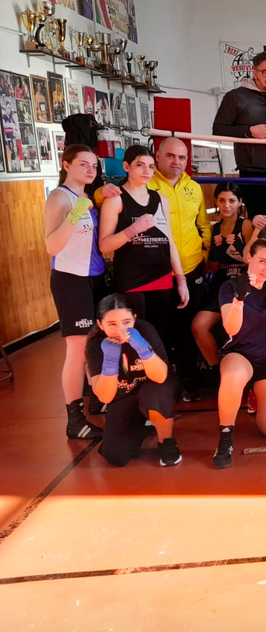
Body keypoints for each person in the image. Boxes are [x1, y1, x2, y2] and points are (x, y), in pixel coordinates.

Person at [213, 238, 266, 469]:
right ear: (249, 258)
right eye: (262, 261)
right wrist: (239, 299)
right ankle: (225, 438)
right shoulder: (230, 287)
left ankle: (255, 392)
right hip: (240, 353)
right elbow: (232, 329)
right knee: (233, 375)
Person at [45, 144, 106, 440]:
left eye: (93, 165)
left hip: (93, 277)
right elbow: (51, 247)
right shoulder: (60, 196)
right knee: (77, 351)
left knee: (94, 343)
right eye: (83, 164)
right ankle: (74, 419)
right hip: (70, 278)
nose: (90, 170)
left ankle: (98, 398)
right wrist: (73, 217)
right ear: (66, 164)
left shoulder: (85, 196)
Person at [99, 145, 189, 341]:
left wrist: (181, 279)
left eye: (150, 166)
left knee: (158, 335)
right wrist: (132, 230)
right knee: (134, 337)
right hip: (131, 278)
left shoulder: (161, 199)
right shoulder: (116, 199)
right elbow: (104, 246)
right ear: (126, 166)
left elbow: (169, 240)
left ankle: (157, 372)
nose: (146, 171)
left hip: (161, 275)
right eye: (140, 165)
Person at [147, 137, 212, 396]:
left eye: (182, 157)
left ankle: (188, 381)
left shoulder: (193, 188)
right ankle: (162, 386)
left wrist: (205, 253)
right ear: (158, 156)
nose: (177, 162)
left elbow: (204, 224)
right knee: (159, 328)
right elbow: (108, 196)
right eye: (171, 156)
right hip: (158, 270)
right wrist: (100, 192)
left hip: (192, 267)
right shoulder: (145, 183)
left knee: (187, 328)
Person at [86, 295, 181, 467]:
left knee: (153, 394)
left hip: (155, 387)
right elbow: (105, 397)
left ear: (135, 319)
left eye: (126, 322)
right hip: (125, 394)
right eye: (112, 324)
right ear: (100, 324)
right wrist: (109, 361)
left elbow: (160, 376)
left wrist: (143, 348)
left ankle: (166, 442)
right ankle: (144, 423)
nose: (120, 329)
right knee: (115, 455)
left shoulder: (144, 330)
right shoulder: (95, 345)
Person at [192, 183, 254, 393]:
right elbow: (212, 267)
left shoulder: (246, 225)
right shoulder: (215, 228)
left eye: (232, 201)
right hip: (221, 284)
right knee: (199, 326)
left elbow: (253, 261)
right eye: (222, 200)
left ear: (239, 202)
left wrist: (236, 247)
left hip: (243, 283)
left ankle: (250, 378)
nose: (227, 205)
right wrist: (217, 249)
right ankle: (217, 372)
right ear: (216, 202)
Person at [212, 51, 266, 215]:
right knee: (259, 223)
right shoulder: (236, 97)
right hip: (253, 172)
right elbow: (218, 130)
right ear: (255, 72)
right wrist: (249, 131)